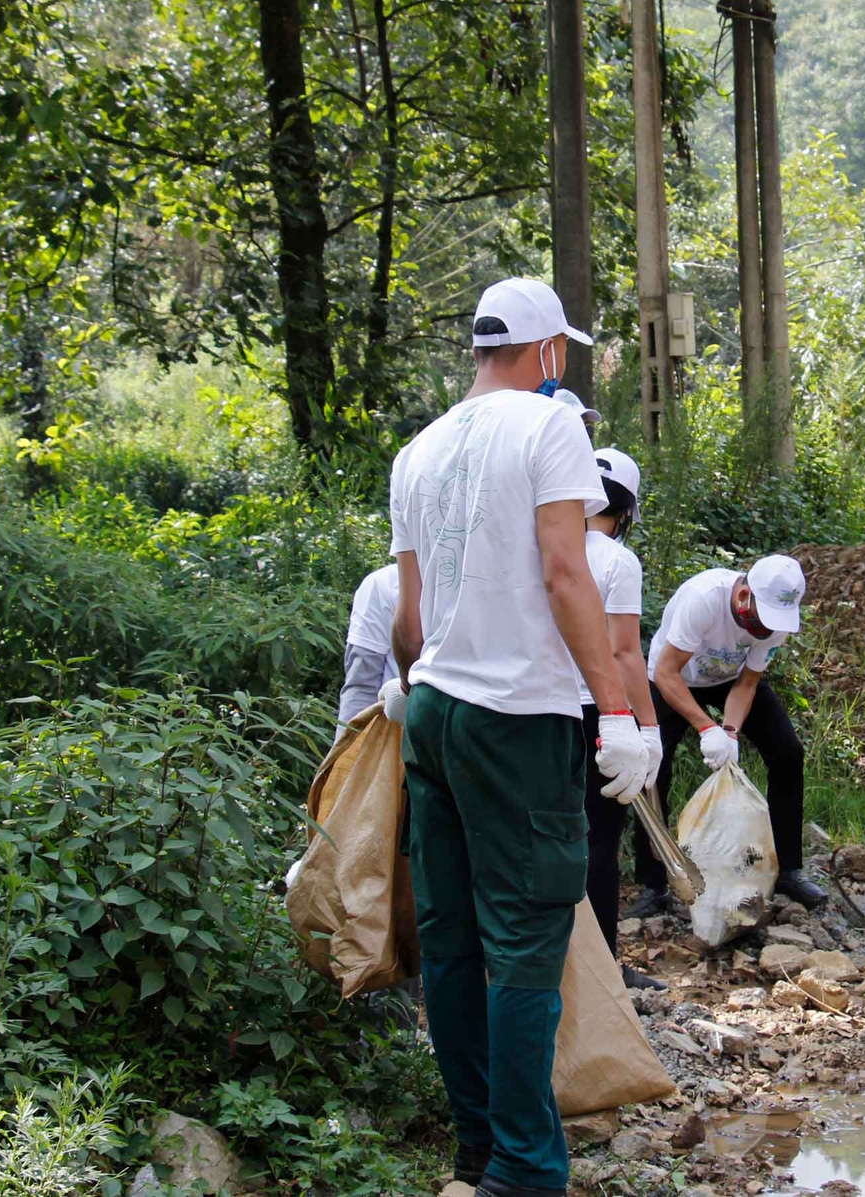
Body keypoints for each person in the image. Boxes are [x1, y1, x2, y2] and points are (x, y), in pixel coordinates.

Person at [388, 277, 654, 1197]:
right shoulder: (551, 428)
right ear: (545, 352)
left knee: (453, 935)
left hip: (434, 710)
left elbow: (409, 620)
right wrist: (614, 710)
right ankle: (528, 1169)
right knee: (526, 935)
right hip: (518, 717)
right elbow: (566, 572)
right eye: (562, 353)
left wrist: (412, 691)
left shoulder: (416, 450)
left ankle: (476, 1149)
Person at [625, 555, 829, 917]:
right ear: (744, 594)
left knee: (787, 753)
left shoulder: (777, 616)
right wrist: (706, 727)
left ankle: (789, 870)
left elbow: (748, 681)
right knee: (653, 768)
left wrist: (730, 732)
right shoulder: (703, 599)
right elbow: (667, 671)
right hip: (672, 677)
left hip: (728, 680)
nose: (764, 631)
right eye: (759, 621)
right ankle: (653, 882)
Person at [571, 446, 667, 992]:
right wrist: (646, 728)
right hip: (595, 714)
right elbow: (625, 654)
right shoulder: (616, 561)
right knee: (599, 840)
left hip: (535, 709)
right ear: (627, 512)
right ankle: (602, 969)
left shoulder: (542, 546)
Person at [337, 561, 401, 734]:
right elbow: (362, 685)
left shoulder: (476, 583)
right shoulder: (384, 584)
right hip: (393, 740)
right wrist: (344, 756)